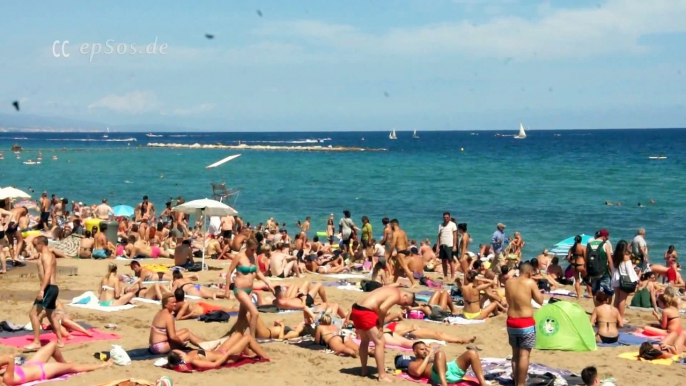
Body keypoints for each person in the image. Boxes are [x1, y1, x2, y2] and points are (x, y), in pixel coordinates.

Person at [350, 287, 415, 382]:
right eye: (405, 303)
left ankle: (364, 370)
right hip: (365, 312)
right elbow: (383, 308)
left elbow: (376, 305)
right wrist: (380, 325)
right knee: (380, 342)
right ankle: (382, 375)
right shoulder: (396, 294)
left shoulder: (389, 289)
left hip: (356, 309)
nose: (402, 304)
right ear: (405, 295)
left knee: (365, 340)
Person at [0, 341, 112, 385]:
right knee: (72, 367)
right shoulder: (8, 379)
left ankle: (63, 363)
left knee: (52, 345)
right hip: (43, 371)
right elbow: (10, 358)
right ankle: (101, 365)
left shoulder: (5, 374)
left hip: (31, 365)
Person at [504, 262, 543, 386]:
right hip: (525, 322)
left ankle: (516, 381)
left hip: (511, 321)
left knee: (515, 354)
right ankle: (520, 384)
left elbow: (509, 299)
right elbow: (540, 301)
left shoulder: (509, 282)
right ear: (530, 272)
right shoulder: (530, 282)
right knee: (524, 355)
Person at [227, 238, 274, 338]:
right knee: (255, 313)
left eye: (255, 250)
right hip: (239, 289)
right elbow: (229, 272)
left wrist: (268, 282)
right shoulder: (239, 257)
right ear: (247, 247)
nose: (254, 251)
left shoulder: (254, 256)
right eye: (252, 249)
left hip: (249, 290)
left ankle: (236, 335)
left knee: (242, 317)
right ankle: (251, 339)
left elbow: (258, 272)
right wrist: (227, 289)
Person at [25, 236, 63, 351]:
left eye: (36, 245)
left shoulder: (46, 256)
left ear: (41, 244)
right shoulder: (46, 255)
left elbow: (48, 273)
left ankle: (36, 342)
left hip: (48, 288)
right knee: (51, 316)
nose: (35, 247)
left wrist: (42, 290)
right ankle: (60, 341)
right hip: (52, 287)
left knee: (33, 314)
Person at [166, 331, 268, 371]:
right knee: (248, 337)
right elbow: (215, 365)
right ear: (180, 357)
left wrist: (171, 359)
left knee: (238, 334)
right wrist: (228, 354)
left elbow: (175, 352)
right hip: (227, 358)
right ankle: (266, 357)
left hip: (220, 351)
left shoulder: (188, 354)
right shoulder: (194, 360)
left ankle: (250, 354)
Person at [406, 342, 489, 386]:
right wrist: (428, 357)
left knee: (472, 353)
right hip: (439, 375)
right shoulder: (412, 364)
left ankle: (482, 383)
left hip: (450, 368)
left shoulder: (430, 359)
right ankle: (444, 384)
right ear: (415, 351)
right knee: (440, 353)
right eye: (422, 349)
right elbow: (417, 373)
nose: (425, 351)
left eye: (425, 349)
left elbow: (440, 359)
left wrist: (430, 355)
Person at [611, 240, 638, 323]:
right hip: (624, 280)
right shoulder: (626, 257)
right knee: (622, 300)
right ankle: (621, 318)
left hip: (616, 278)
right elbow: (629, 271)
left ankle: (614, 316)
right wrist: (636, 280)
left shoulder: (614, 256)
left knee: (617, 299)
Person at [387, 219, 417, 287]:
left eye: (391, 225)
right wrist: (407, 252)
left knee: (405, 268)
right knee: (396, 268)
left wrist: (389, 253)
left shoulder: (395, 233)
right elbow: (406, 242)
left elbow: (393, 244)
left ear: (393, 224)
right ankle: (394, 282)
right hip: (405, 250)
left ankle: (413, 283)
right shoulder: (403, 232)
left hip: (400, 251)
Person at [585, 229, 613, 296]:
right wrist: (612, 272)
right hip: (604, 273)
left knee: (595, 292)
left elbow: (586, 260)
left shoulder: (589, 245)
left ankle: (597, 306)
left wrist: (588, 272)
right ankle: (604, 306)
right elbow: (609, 260)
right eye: (607, 237)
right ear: (603, 237)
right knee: (606, 292)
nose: (608, 238)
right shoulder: (605, 245)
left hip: (593, 273)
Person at [435, 212, 457, 280]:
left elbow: (455, 235)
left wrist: (454, 246)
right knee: (443, 261)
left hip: (449, 245)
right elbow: (439, 236)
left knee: (450, 261)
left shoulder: (453, 224)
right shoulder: (441, 225)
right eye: (444, 217)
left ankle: (452, 276)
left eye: (447, 217)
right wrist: (437, 246)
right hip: (442, 245)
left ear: (449, 217)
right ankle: (445, 276)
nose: (446, 218)